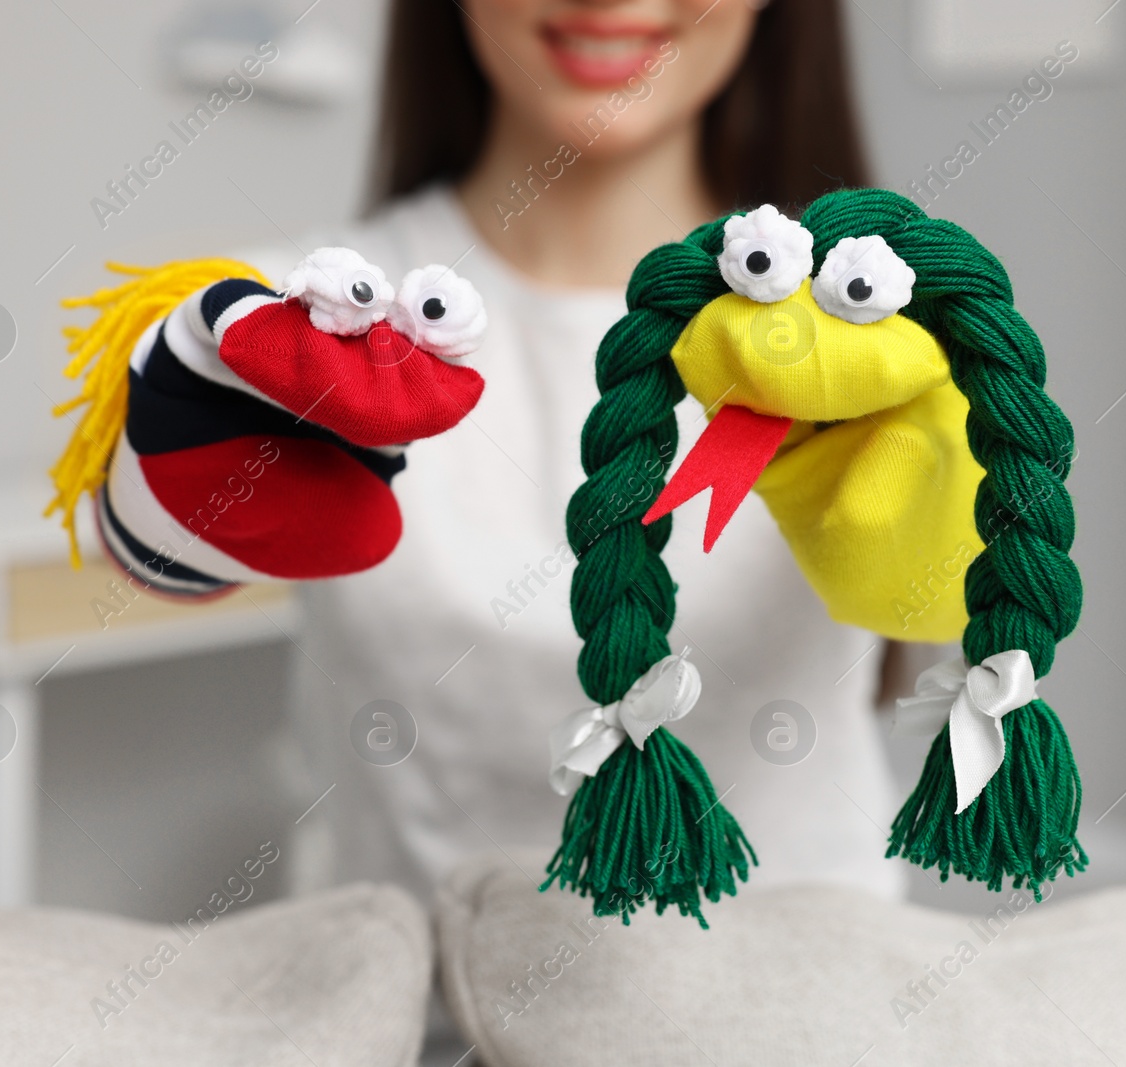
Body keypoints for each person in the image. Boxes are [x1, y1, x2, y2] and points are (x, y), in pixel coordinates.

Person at [251, 0, 920, 918]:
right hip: (418, 1025)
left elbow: (950, 570)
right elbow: (142, 529)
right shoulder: (298, 319)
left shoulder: (875, 332)